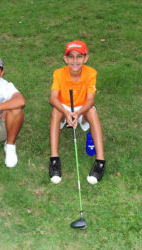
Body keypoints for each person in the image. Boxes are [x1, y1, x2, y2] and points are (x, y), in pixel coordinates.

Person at [49, 40, 105, 185]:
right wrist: (66, 113)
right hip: (64, 107)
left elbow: (90, 100)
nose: (75, 61)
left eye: (79, 56)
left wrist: (78, 113)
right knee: (56, 111)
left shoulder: (91, 73)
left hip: (82, 107)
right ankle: (54, 159)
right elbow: (53, 99)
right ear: (65, 58)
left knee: (92, 113)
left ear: (86, 58)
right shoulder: (58, 73)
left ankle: (100, 161)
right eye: (71, 57)